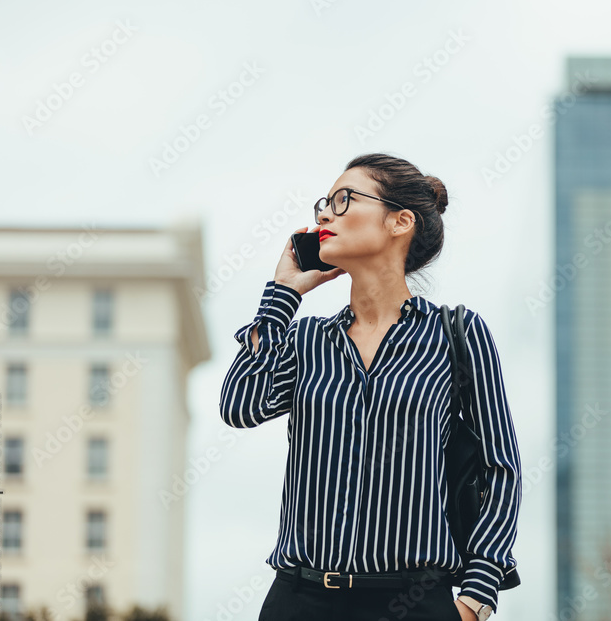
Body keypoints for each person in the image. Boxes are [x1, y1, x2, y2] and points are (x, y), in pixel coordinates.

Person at [219, 153, 522, 621]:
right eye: (324, 203)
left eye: (343, 200)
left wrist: (476, 596)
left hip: (414, 600)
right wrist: (282, 295)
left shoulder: (456, 334)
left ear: (400, 222)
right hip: (300, 600)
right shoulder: (307, 340)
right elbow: (240, 406)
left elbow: (500, 466)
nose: (323, 213)